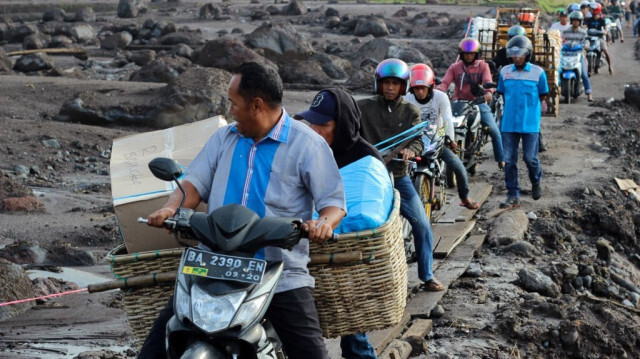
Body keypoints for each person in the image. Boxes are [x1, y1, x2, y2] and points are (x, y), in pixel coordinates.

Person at [138, 62, 347, 359]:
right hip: (212, 267)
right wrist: (171, 208)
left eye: (234, 104)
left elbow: (333, 202)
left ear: (257, 105)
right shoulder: (223, 138)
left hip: (277, 274)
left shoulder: (308, 145)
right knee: (154, 350)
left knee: (311, 353)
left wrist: (323, 223)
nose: (231, 110)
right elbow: (193, 184)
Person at [295, 88, 380, 359]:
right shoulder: (307, 151)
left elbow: (365, 216)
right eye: (312, 123)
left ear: (342, 126)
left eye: (324, 125)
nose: (315, 130)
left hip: (343, 257)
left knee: (354, 335)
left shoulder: (365, 159)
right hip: (303, 249)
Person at [358, 58, 445, 292]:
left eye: (395, 83)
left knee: (422, 225)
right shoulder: (363, 108)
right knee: (359, 225)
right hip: (369, 178)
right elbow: (349, 130)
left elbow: (418, 138)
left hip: (398, 177)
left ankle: (426, 275)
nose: (389, 87)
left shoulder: (411, 111)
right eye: (386, 82)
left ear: (403, 86)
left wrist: (411, 150)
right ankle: (363, 278)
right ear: (378, 84)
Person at [403, 63, 479, 210]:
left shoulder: (441, 97)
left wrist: (447, 138)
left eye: (422, 88)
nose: (419, 92)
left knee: (459, 168)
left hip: (435, 140)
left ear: (430, 86)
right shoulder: (407, 98)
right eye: (416, 88)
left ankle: (464, 197)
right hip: (414, 141)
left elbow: (446, 120)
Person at [497, 35, 549, 209]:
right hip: (509, 123)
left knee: (530, 158)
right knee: (509, 160)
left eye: (519, 55)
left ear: (527, 55)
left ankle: (536, 180)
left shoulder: (538, 73)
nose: (516, 58)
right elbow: (502, 93)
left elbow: (543, 94)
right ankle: (513, 194)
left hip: (530, 123)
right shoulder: (505, 72)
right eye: (513, 55)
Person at [437, 38, 505, 170]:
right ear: (461, 54)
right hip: (457, 103)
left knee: (494, 131)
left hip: (477, 103)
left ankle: (500, 159)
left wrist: (488, 93)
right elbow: (445, 83)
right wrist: (438, 92)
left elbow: (487, 81)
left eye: (471, 54)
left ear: (476, 54)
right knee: (441, 129)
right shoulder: (455, 67)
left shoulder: (483, 66)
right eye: (466, 54)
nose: (468, 56)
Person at [563, 11, 594, 102]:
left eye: (577, 20)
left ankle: (589, 94)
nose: (575, 22)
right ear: (571, 21)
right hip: (566, 54)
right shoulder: (565, 31)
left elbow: (587, 41)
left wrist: (587, 45)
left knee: (584, 74)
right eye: (574, 20)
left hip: (579, 54)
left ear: (580, 21)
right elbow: (560, 40)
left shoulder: (583, 32)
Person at [585, 2, 615, 74]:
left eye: (592, 9)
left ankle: (610, 66)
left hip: (599, 38)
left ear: (596, 10)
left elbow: (605, 29)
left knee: (605, 50)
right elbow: (585, 26)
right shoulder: (589, 19)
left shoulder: (601, 20)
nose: (590, 10)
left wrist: (605, 31)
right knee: (584, 49)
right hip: (590, 38)